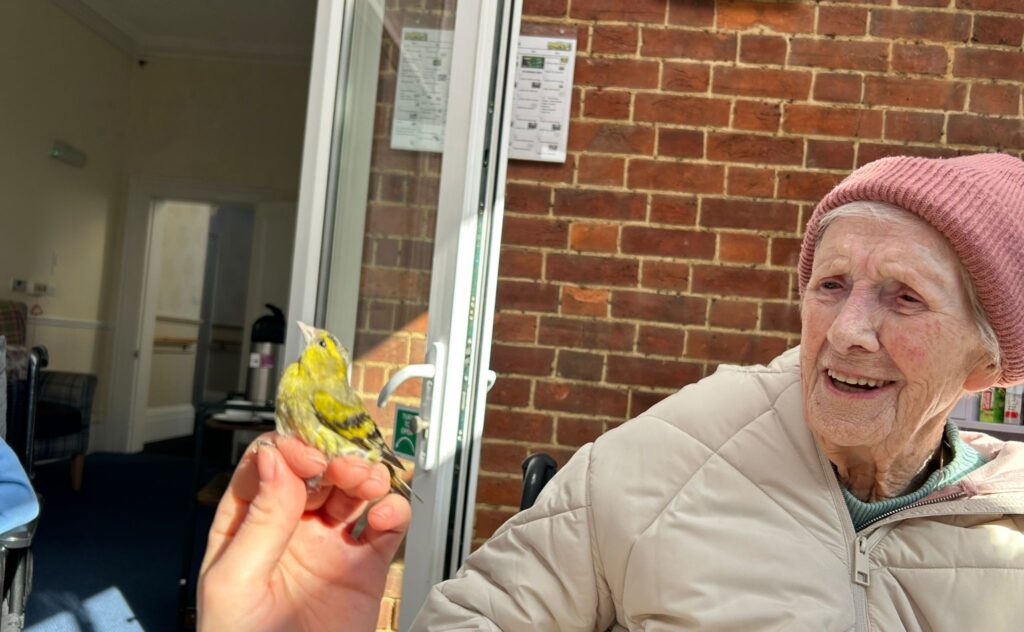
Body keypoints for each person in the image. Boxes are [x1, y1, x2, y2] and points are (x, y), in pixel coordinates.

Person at [199, 153, 1024, 630]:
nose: (846, 330)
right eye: (830, 285)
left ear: (988, 364)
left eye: (905, 298)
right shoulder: (668, 457)